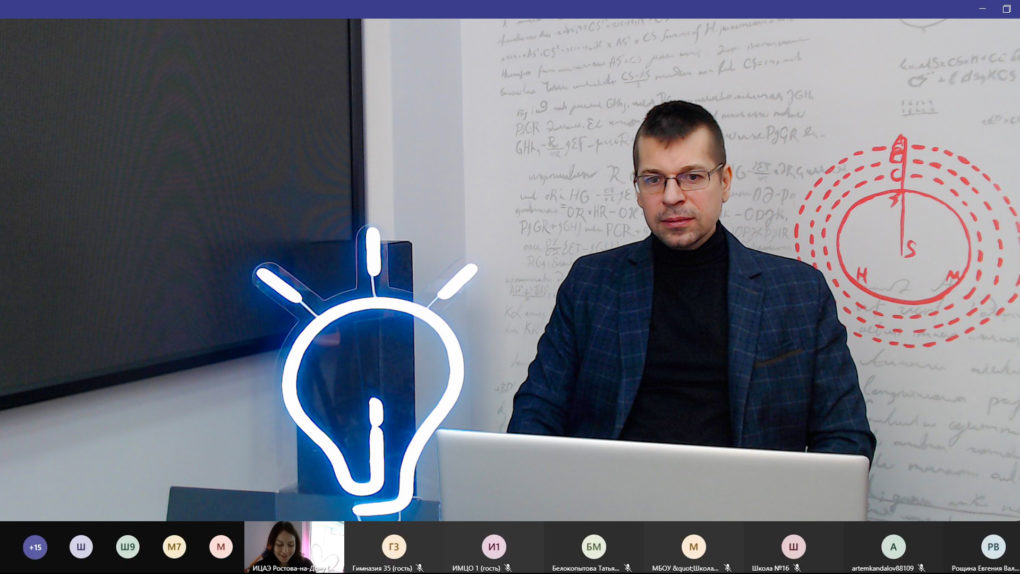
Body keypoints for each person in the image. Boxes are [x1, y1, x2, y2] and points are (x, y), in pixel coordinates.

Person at [507, 100, 875, 461]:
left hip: (746, 498)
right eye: (653, 179)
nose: (671, 196)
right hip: (613, 495)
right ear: (638, 190)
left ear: (725, 182)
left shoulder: (800, 293)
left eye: (692, 177)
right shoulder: (590, 283)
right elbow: (536, 411)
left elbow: (845, 436)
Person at [246, 521, 315, 572]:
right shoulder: (258, 568)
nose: (285, 551)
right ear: (272, 544)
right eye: (279, 544)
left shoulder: (307, 566)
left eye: (291, 545)